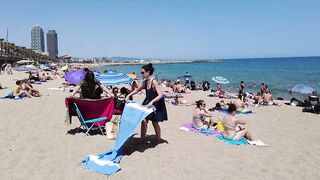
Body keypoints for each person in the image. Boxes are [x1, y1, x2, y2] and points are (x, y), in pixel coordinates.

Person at [126, 63, 168, 143]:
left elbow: (160, 95)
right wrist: (129, 95)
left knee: (155, 122)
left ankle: (158, 139)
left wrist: (152, 102)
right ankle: (142, 139)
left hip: (156, 102)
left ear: (148, 72)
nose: (141, 74)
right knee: (144, 120)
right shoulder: (145, 82)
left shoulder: (154, 82)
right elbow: (137, 90)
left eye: (142, 72)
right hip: (148, 101)